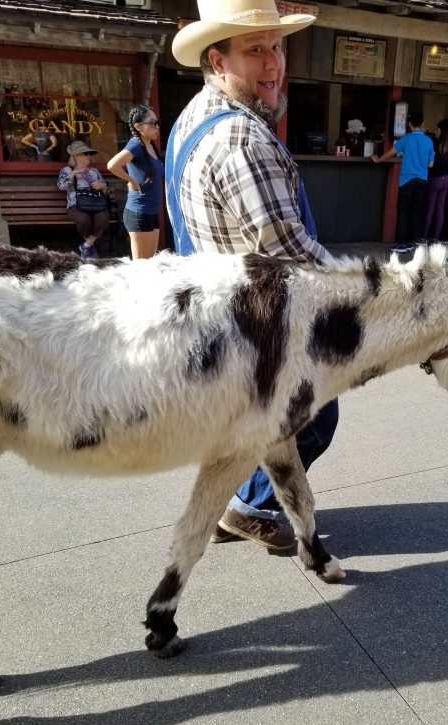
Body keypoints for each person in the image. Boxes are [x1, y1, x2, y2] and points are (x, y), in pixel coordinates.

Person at [167, 0, 338, 549]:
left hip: (213, 315)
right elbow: (295, 259)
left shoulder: (191, 117)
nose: (274, 63)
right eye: (255, 49)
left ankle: (234, 501)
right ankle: (249, 506)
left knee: (248, 424)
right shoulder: (244, 140)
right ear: (218, 61)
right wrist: (376, 289)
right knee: (316, 415)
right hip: (258, 328)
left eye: (276, 46)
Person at [107, 105, 164, 260]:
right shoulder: (136, 145)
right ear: (138, 127)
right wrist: (131, 180)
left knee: (151, 263)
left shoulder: (150, 145)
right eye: (152, 123)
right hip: (139, 211)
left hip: (151, 211)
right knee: (140, 267)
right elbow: (112, 165)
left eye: (157, 122)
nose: (156, 127)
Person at [371, 111, 434, 251]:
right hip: (422, 180)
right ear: (423, 124)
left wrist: (378, 159)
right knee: (417, 212)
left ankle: (403, 243)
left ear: (409, 124)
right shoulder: (429, 141)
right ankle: (413, 242)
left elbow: (390, 153)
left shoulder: (406, 139)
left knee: (404, 212)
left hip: (407, 180)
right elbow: (431, 165)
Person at [57, 140, 110, 259]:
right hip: (76, 205)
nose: (89, 156)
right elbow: (61, 186)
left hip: (96, 203)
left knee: (104, 217)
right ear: (76, 156)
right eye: (86, 154)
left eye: (89, 154)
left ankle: (87, 245)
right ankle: (90, 246)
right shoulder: (66, 170)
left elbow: (106, 193)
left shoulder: (94, 171)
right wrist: (74, 173)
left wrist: (102, 186)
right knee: (83, 219)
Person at [425, 118, 448, 241]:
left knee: (430, 208)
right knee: (440, 209)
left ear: (441, 131)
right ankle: (436, 237)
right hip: (446, 179)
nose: (435, 131)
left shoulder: (434, 144)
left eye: (437, 129)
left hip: (435, 179)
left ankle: (424, 235)